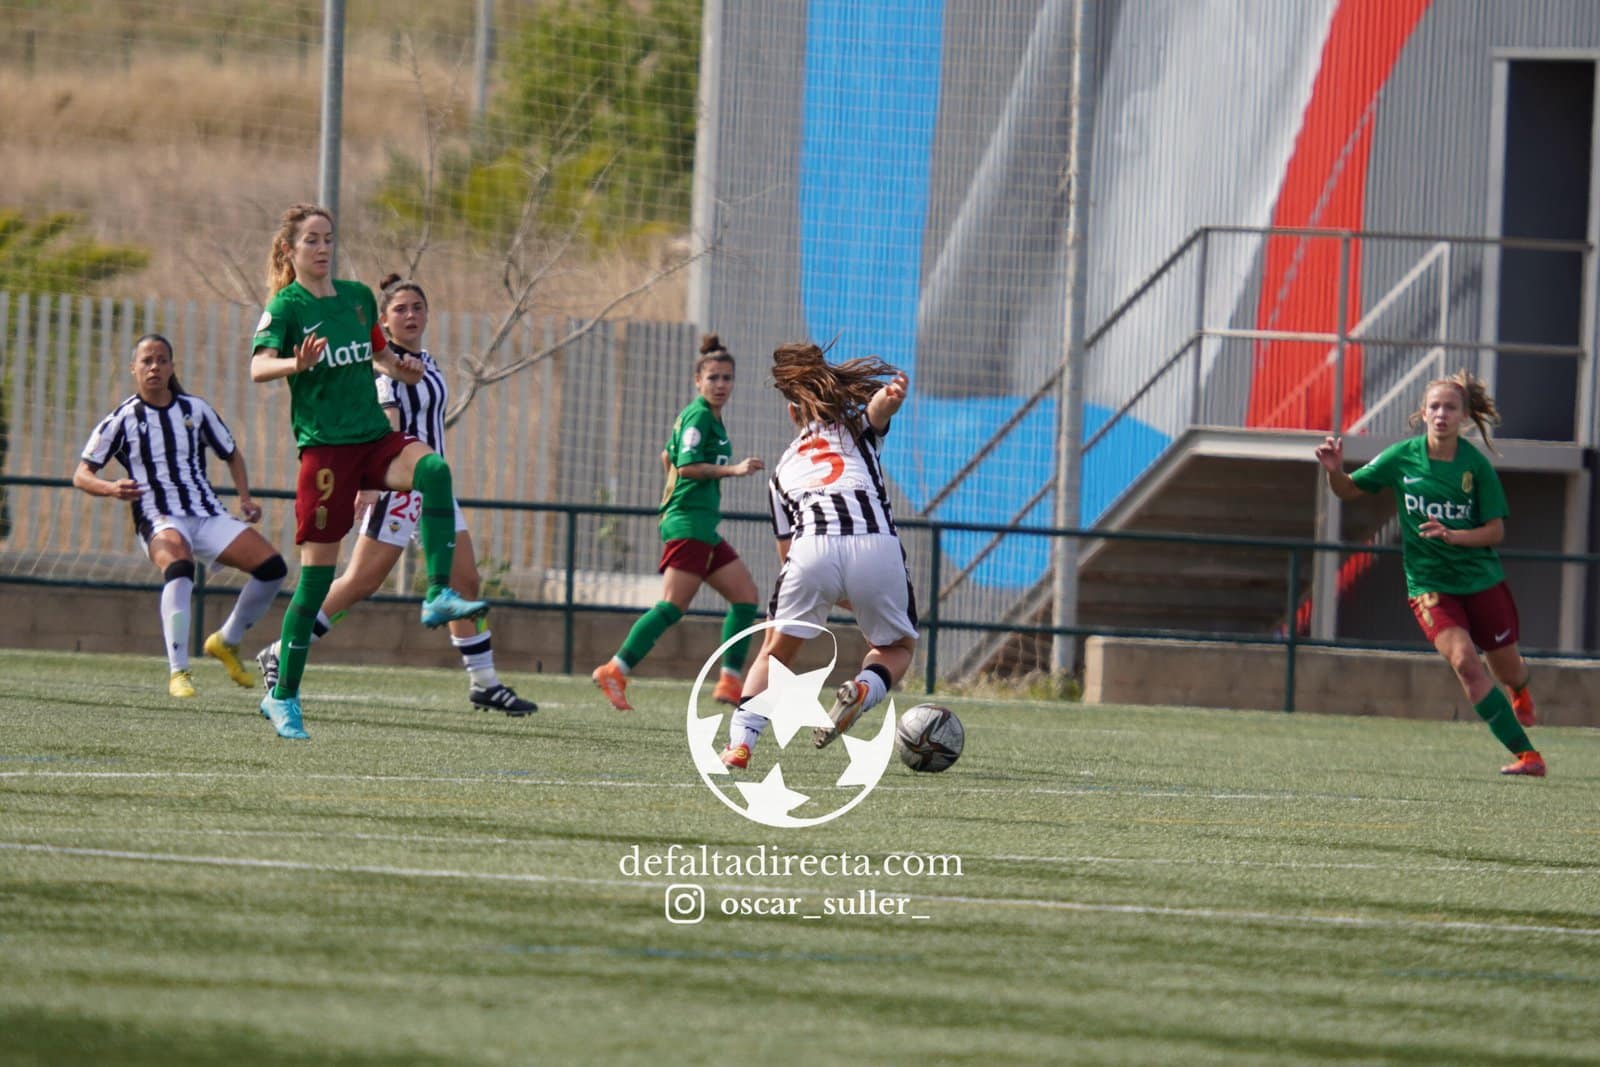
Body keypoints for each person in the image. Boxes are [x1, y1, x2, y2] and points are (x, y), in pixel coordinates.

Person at [250, 203, 488, 740]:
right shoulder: (286, 307)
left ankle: (437, 595)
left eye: (328, 238)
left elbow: (380, 356)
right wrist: (297, 364)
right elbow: (257, 367)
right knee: (315, 583)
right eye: (311, 240)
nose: (323, 248)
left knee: (433, 470)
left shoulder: (358, 299)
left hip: (372, 438)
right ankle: (283, 695)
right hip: (326, 454)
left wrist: (398, 366)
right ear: (290, 250)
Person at [254, 274, 536, 716]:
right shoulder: (382, 372)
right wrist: (370, 483)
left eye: (417, 308)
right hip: (399, 489)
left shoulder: (428, 362)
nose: (410, 316)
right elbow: (385, 425)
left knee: (466, 582)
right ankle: (281, 650)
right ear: (383, 322)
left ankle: (484, 683)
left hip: (434, 490)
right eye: (400, 310)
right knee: (358, 583)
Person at [1314, 370, 1543, 777]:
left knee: (1506, 666)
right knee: (1465, 662)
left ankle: (1520, 690)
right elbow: (1348, 489)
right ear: (1422, 413)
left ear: (1464, 418)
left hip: (1480, 580)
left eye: (1450, 408)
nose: (1441, 414)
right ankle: (1528, 756)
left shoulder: (1476, 468)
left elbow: (1496, 531)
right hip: (1430, 585)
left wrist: (1454, 536)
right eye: (1434, 407)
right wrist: (1334, 470)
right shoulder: (1402, 457)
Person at [720, 342, 918, 769]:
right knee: (896, 648)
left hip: (810, 550)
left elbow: (786, 552)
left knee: (774, 654)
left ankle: (741, 743)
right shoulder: (853, 429)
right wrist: (889, 395)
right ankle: (864, 688)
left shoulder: (782, 470)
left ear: (793, 413)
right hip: (875, 545)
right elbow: (878, 411)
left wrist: (829, 592)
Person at [74, 334, 288, 698]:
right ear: (133, 369)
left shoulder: (195, 410)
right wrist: (111, 488)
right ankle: (179, 671)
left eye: (161, 360)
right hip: (158, 516)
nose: (154, 367)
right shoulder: (123, 418)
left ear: (172, 366)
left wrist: (245, 498)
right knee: (179, 566)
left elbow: (231, 453)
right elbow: (81, 474)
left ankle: (227, 640)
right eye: (146, 361)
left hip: (205, 512)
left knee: (273, 569)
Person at [591, 334, 765, 710]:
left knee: (746, 597)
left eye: (727, 378)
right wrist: (732, 470)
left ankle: (731, 682)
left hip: (701, 524)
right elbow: (684, 465)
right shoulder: (699, 414)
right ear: (697, 381)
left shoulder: (709, 419)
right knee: (672, 605)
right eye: (713, 378)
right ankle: (615, 669)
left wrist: (675, 487)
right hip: (688, 524)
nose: (721, 385)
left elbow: (666, 457)